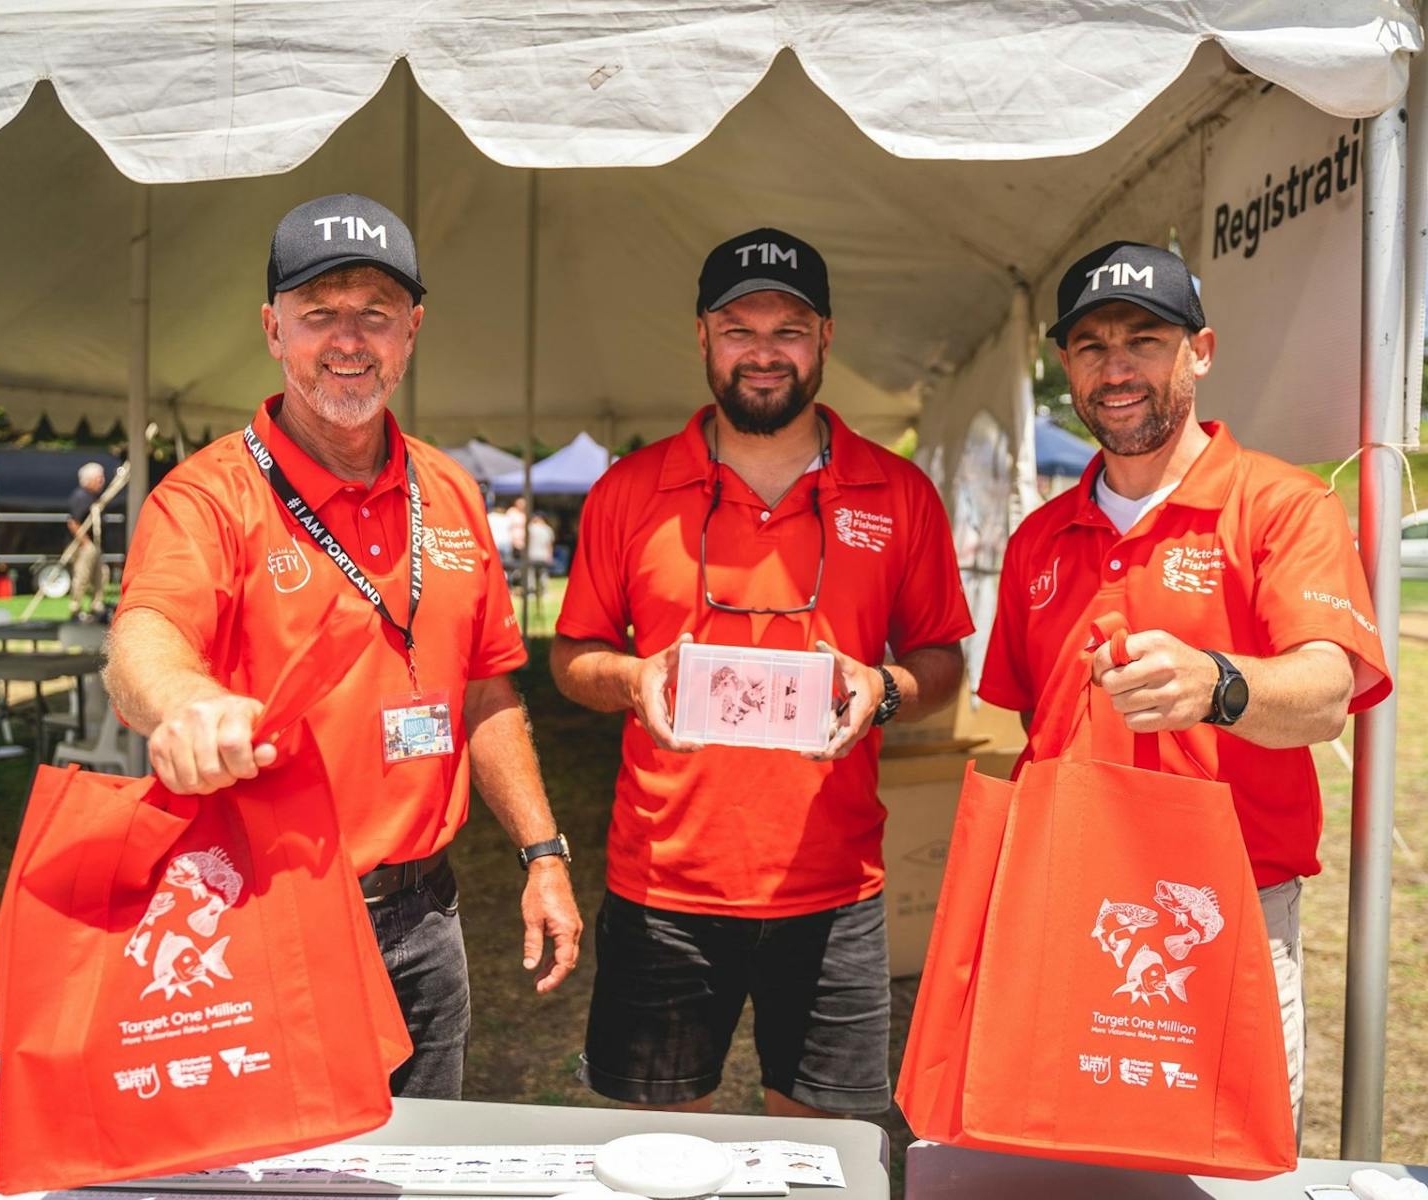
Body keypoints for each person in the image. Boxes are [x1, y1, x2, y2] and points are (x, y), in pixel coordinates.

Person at [103, 192, 583, 1099]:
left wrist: (543, 851)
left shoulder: (451, 491)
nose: (348, 339)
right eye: (319, 313)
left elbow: (485, 690)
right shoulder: (209, 497)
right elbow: (146, 634)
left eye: (375, 313)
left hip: (428, 918)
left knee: (420, 1169)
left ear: (412, 331)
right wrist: (184, 702)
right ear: (273, 330)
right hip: (266, 913)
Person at [550, 227, 972, 1117]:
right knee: (655, 1157)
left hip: (835, 887)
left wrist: (884, 687)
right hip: (664, 885)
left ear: (826, 339)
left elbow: (944, 662)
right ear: (702, 337)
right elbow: (570, 657)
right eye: (740, 328)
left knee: (824, 1155)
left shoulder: (898, 494)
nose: (764, 352)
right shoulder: (629, 490)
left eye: (789, 328)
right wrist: (630, 680)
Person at [978, 240, 1392, 1137]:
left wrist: (1219, 684)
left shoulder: (1283, 505)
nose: (1116, 368)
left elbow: (1327, 692)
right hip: (1075, 904)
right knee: (1069, 1158)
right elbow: (1029, 715)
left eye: (1145, 341)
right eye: (1091, 346)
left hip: (1227, 905)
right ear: (1065, 367)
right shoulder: (1038, 540)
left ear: (1200, 351)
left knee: (1219, 1165)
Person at [67, 462, 107, 620]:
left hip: (95, 544)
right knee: (82, 576)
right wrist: (85, 543)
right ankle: (76, 607)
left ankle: (97, 605)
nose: (102, 481)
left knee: (101, 574)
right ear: (88, 480)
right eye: (98, 478)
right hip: (85, 545)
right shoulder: (80, 497)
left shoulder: (94, 498)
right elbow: (73, 522)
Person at [525, 511, 555, 603]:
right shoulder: (548, 529)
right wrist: (550, 555)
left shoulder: (530, 528)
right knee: (543, 574)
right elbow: (549, 544)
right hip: (543, 555)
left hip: (531, 554)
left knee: (530, 574)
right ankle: (544, 592)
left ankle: (531, 593)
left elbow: (526, 542)